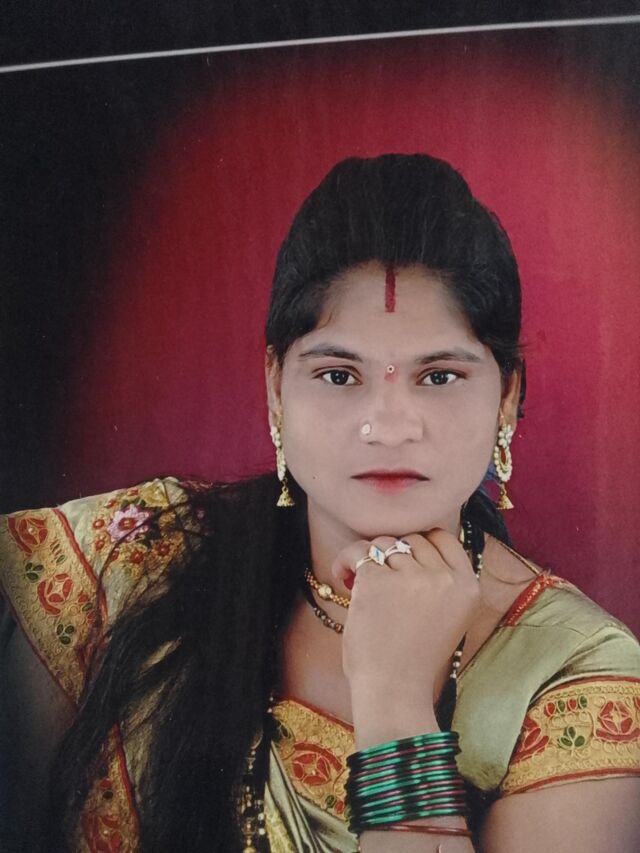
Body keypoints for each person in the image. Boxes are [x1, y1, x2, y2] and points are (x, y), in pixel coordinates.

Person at [1, 154, 639, 853]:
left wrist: (397, 700)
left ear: (507, 396)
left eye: (439, 376)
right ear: (276, 387)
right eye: (338, 375)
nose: (388, 426)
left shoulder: (575, 676)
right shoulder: (133, 561)